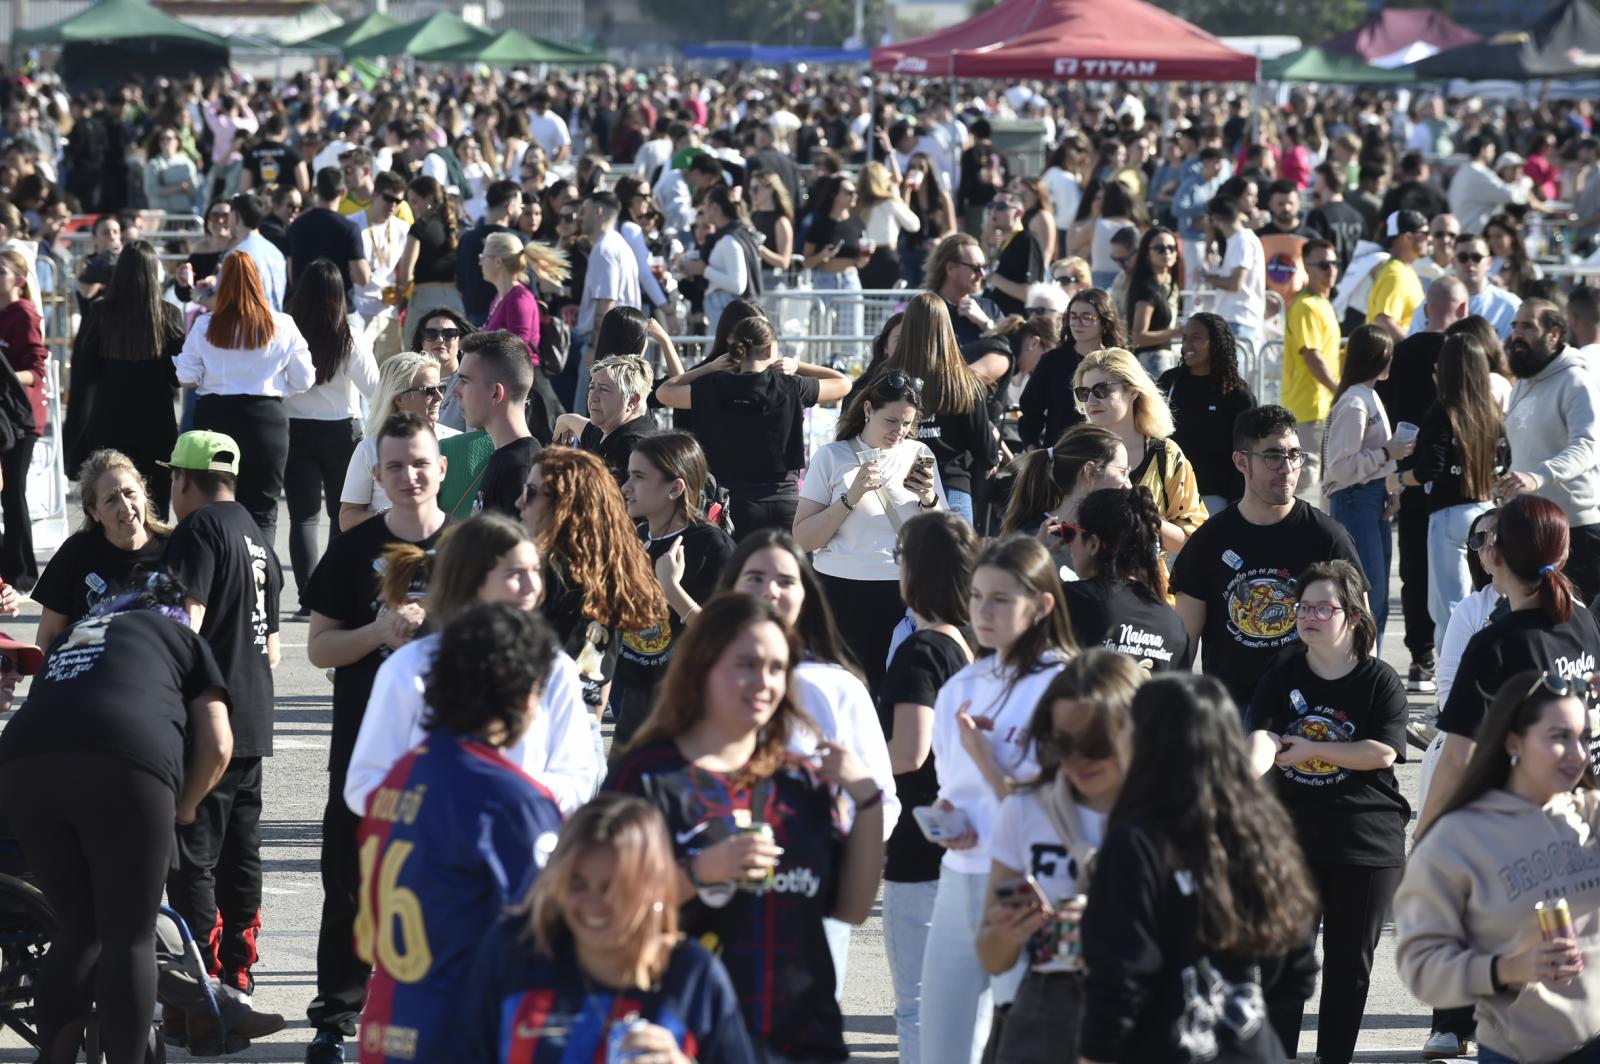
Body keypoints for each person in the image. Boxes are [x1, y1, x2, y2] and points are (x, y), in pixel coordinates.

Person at [605, 593, 887, 1063]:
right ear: (702, 666)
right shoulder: (648, 776)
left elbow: (851, 908)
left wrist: (870, 803)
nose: (764, 682)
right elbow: (603, 910)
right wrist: (698, 872)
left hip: (801, 1039)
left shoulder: (800, 781)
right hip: (685, 1038)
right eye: (746, 665)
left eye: (777, 668)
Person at [0, 575, 237, 1064]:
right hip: (125, 755)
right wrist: (186, 805)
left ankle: (55, 1055)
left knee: (76, 930)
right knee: (128, 935)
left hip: (23, 764)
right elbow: (217, 743)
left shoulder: (69, 637)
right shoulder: (176, 634)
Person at [354, 602, 566, 1064]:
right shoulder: (512, 802)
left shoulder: (400, 774)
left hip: (389, 1027)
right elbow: (545, 946)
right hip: (464, 1033)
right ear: (525, 694)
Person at [302, 412, 449, 1063]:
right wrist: (377, 634)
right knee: (351, 880)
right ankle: (336, 1017)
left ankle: (440, 1008)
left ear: (441, 467)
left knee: (444, 879)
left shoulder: (474, 547)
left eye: (419, 463)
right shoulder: (353, 549)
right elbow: (318, 650)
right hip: (365, 751)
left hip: (450, 755)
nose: (409, 476)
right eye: (395, 466)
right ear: (378, 474)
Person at [1078, 674, 1319, 1063]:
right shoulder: (1267, 832)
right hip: (1254, 1050)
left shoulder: (1137, 844)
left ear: (1150, 743)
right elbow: (1300, 970)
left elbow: (1120, 980)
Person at [720, 530, 902, 991]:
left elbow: (882, 801)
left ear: (807, 594)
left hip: (808, 900)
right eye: (755, 577)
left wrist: (838, 858)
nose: (769, 591)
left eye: (785, 580)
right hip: (714, 896)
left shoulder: (837, 687)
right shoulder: (697, 677)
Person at [1245, 560, 1410, 1064]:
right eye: (1304, 607)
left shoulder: (1379, 680)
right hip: (1292, 838)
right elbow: (1263, 735)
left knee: (1348, 966)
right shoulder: (1283, 671)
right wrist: (1242, 774)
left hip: (1365, 839)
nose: (1309, 616)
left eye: (1323, 607)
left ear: (1353, 616)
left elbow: (1382, 751)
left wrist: (1314, 751)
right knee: (1282, 961)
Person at [920, 536, 1075, 1064]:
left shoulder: (1067, 687)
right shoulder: (959, 685)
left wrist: (986, 758)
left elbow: (1055, 808)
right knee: (941, 1049)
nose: (982, 611)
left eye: (1001, 599)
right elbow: (953, 791)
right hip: (959, 876)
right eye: (977, 596)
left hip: (1030, 886)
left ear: (1042, 605)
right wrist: (944, 818)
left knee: (1026, 1046)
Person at [1396, 669, 1600, 1064]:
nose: (1578, 754)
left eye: (1584, 738)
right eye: (1559, 738)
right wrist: (1509, 967)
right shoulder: (1460, 837)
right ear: (1513, 741)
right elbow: (1421, 965)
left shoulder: (1590, 817)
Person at [456, 793, 754, 1062]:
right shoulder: (516, 949)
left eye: (614, 889)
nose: (594, 905)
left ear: (653, 887)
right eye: (577, 884)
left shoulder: (693, 976)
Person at [343, 513, 598, 816]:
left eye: (535, 570)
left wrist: (508, 795)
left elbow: (579, 779)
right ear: (473, 581)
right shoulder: (410, 668)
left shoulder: (555, 668)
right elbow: (364, 784)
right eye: (515, 573)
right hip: (434, 856)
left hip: (528, 855)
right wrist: (443, 803)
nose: (532, 586)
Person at [161, 429, 283, 1009]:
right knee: (242, 849)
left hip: (210, 720)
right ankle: (239, 969)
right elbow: (275, 647)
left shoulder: (199, 530)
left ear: (183, 479)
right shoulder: (257, 535)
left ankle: (202, 983)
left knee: (194, 849)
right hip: (256, 715)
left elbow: (189, 619)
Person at [977, 650, 1141, 1064]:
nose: (1077, 759)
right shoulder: (1027, 808)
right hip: (1047, 1014)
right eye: (1061, 742)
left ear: (1135, 731)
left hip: (1144, 1013)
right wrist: (1008, 932)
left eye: (1095, 744)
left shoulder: (1172, 815)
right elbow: (991, 956)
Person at [1417, 494, 1600, 838]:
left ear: (1498, 555)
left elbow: (1458, 758)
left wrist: (1424, 833)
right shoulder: (1583, 620)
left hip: (1516, 816)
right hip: (1575, 806)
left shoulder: (1495, 643)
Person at [1171, 405, 1364, 715]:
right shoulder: (1208, 542)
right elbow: (1183, 643)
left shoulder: (1328, 537)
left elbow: (1361, 631)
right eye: (1273, 456)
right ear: (1241, 462)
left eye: (1295, 455)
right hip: (1230, 710)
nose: (1287, 468)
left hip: (1309, 707)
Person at [794, 371, 945, 691]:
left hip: (903, 593)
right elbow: (803, 538)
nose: (899, 432)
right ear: (867, 410)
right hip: (839, 592)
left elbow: (943, 537)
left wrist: (929, 499)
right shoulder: (831, 457)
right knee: (842, 692)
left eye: (907, 423)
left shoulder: (920, 454)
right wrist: (851, 498)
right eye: (891, 421)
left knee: (897, 692)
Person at [518, 446, 665, 740]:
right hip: (583, 735)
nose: (520, 502)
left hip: (542, 736)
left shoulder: (554, 577)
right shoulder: (604, 572)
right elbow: (599, 682)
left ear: (564, 504)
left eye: (532, 493)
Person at [657, 314, 849, 537]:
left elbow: (664, 393)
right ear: (769, 350)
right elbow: (843, 383)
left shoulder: (714, 386)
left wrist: (708, 367)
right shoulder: (790, 385)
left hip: (733, 503)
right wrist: (797, 365)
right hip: (784, 500)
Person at [176, 251, 316, 543]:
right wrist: (278, 389)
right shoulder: (283, 325)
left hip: (216, 418)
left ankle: (220, 575)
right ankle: (260, 580)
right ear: (259, 282)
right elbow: (304, 379)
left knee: (213, 506)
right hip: (266, 420)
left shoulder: (206, 326)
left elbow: (186, 377)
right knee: (262, 512)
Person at [612, 432, 735, 747]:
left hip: (685, 704)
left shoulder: (712, 545)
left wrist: (671, 588)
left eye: (638, 477)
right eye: (628, 475)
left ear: (675, 488)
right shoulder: (637, 536)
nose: (626, 487)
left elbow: (725, 636)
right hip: (633, 695)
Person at [61, 240, 186, 518]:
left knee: (111, 503)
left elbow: (85, 371)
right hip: (156, 421)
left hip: (109, 421)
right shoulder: (167, 314)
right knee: (155, 507)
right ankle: (155, 559)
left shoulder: (101, 312)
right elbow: (178, 375)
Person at [284, 258, 378, 612]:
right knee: (344, 514)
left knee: (303, 518)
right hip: (342, 429)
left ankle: (309, 597)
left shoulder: (288, 330)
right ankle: (334, 593)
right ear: (340, 294)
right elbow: (374, 386)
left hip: (296, 428)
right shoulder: (347, 334)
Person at [1406, 329, 1507, 650]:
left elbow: (1428, 469)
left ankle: (1451, 687)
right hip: (1486, 512)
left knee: (1447, 606)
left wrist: (1397, 480)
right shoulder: (1491, 412)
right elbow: (1505, 461)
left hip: (1449, 513)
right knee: (1484, 599)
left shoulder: (1443, 410)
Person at [1496, 299, 1600, 605]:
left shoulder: (1577, 380)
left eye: (1528, 326)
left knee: (1583, 634)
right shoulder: (1522, 382)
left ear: (1554, 333)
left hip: (1575, 530)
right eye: (1515, 325)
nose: (1516, 334)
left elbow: (1589, 445)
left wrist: (1536, 477)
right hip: (1528, 526)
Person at [1073, 347, 1206, 556]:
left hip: (1148, 584)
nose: (1090, 401)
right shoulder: (1075, 452)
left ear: (1133, 391)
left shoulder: (1166, 455)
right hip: (1084, 583)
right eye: (1084, 392)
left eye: (1102, 389)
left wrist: (1144, 515)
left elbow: (1195, 543)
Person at [32, 450, 169, 652]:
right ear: (93, 512)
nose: (125, 506)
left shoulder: (175, 546)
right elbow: (49, 636)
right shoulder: (76, 552)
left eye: (130, 493)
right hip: (88, 679)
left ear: (143, 491)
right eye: (111, 500)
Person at [878, 292, 997, 526]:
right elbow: (986, 451)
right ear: (946, 327)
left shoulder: (888, 378)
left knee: (904, 562)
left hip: (899, 486)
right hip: (952, 487)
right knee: (955, 561)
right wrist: (992, 457)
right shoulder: (963, 381)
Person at [1322, 324, 1408, 641]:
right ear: (1379, 356)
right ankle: (1364, 664)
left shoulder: (1364, 396)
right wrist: (1387, 452)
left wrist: (1390, 485)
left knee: (1376, 593)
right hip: (1355, 500)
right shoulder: (1355, 402)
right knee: (1367, 593)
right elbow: (1340, 467)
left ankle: (1372, 664)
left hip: (1368, 498)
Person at [1060, 487, 1189, 670]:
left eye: (1071, 533)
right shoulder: (1173, 624)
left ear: (1094, 544)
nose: (1069, 544)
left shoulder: (1072, 601)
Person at [338, 352, 461, 530]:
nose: (439, 397)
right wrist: (391, 515)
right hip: (388, 550)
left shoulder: (457, 439)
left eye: (441, 388)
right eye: (429, 391)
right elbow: (347, 519)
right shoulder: (370, 448)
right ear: (399, 398)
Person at [1158, 313, 1255, 515]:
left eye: (1196, 337)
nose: (1187, 344)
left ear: (1216, 343)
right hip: (1170, 495)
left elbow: (1246, 454)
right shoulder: (1169, 383)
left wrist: (1237, 506)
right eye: (1184, 338)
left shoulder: (1238, 396)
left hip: (1215, 501)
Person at [479, 230, 569, 443]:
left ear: (498, 261)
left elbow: (517, 349)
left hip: (529, 392)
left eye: (483, 257)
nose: (480, 262)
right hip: (512, 386)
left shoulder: (520, 298)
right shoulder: (500, 297)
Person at [1016, 288, 1123, 451]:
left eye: (1086, 317)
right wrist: (1035, 453)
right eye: (1073, 316)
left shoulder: (1119, 362)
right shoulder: (1052, 361)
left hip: (1109, 453)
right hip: (1061, 455)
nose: (1077, 322)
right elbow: (1031, 413)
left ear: (1104, 322)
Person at [1000, 423, 1131, 555]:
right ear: (1089, 473)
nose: (1129, 485)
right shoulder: (1032, 543)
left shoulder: (1109, 538)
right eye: (1123, 472)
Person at [453, 329, 541, 517]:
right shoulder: (505, 456)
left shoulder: (522, 469)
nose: (455, 391)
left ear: (496, 393)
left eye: (464, 382)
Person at [1281, 239, 1342, 498]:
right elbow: (1312, 356)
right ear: (1307, 267)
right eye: (1324, 264)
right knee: (1304, 481)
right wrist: (1340, 390)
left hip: (1322, 406)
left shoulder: (1322, 302)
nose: (1331, 270)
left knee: (1323, 480)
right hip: (1309, 407)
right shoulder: (1306, 306)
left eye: (1334, 263)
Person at [0, 249, 45, 587]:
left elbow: (36, 370)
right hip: (3, 417)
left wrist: (6, 375)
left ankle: (25, 572)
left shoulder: (24, 314)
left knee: (13, 492)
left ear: (19, 279)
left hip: (21, 418)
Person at [572, 191, 642, 408]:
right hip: (617, 345)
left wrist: (594, 347)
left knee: (586, 416)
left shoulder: (604, 249)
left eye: (583, 212)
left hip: (605, 347)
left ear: (598, 212)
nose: (579, 217)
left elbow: (606, 302)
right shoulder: (617, 245)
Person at [557, 342, 660, 484]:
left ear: (632, 400)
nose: (593, 397)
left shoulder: (631, 449)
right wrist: (565, 419)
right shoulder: (611, 427)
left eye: (604, 389)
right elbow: (587, 430)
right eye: (592, 387)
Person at [350, 171, 411, 361]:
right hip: (358, 308)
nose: (393, 205)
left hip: (388, 310)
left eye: (398, 201)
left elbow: (405, 268)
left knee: (388, 373)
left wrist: (402, 289)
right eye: (388, 198)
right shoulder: (353, 223)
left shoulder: (402, 228)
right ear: (375, 194)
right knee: (359, 369)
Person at [393, 175, 464, 326]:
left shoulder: (419, 227)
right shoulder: (458, 227)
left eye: (415, 201)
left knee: (415, 348)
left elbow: (406, 275)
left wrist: (400, 291)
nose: (413, 207)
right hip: (455, 299)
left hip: (425, 299)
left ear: (429, 199)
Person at [1203, 194, 1265, 365]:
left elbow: (1235, 284)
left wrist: (1208, 278)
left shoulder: (1242, 241)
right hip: (1238, 320)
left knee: (1234, 385)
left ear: (1215, 219)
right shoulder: (1240, 240)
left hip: (1239, 321)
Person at [286, 168, 369, 296]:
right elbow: (363, 278)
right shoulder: (349, 228)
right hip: (338, 306)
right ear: (343, 192)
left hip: (303, 306)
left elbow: (292, 277)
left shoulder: (295, 226)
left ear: (314, 190)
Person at [456, 178, 525, 325]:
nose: (522, 209)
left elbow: (460, 282)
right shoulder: (518, 240)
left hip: (473, 316)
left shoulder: (468, 238)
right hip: (509, 314)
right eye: (520, 205)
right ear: (510, 207)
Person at [924, 233, 1003, 350]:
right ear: (950, 268)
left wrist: (985, 324)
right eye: (975, 268)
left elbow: (1010, 351)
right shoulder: (926, 310)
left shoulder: (990, 308)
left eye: (984, 267)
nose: (982, 274)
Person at [1123, 226, 1183, 377]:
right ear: (1146, 253)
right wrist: (1178, 331)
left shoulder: (1163, 285)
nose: (1167, 252)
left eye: (1171, 248)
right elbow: (1138, 337)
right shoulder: (1147, 289)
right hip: (1152, 362)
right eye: (1160, 248)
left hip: (1161, 361)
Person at [1367, 210, 1430, 343]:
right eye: (1424, 233)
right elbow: (1384, 321)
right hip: (1395, 360)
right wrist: (1415, 351)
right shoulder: (1396, 274)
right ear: (1408, 237)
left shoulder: (1403, 270)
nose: (1429, 239)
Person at [225, 192, 287, 312]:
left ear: (236, 217)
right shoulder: (275, 252)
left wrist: (200, 296)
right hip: (277, 325)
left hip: (252, 327)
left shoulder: (237, 255)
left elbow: (223, 300)